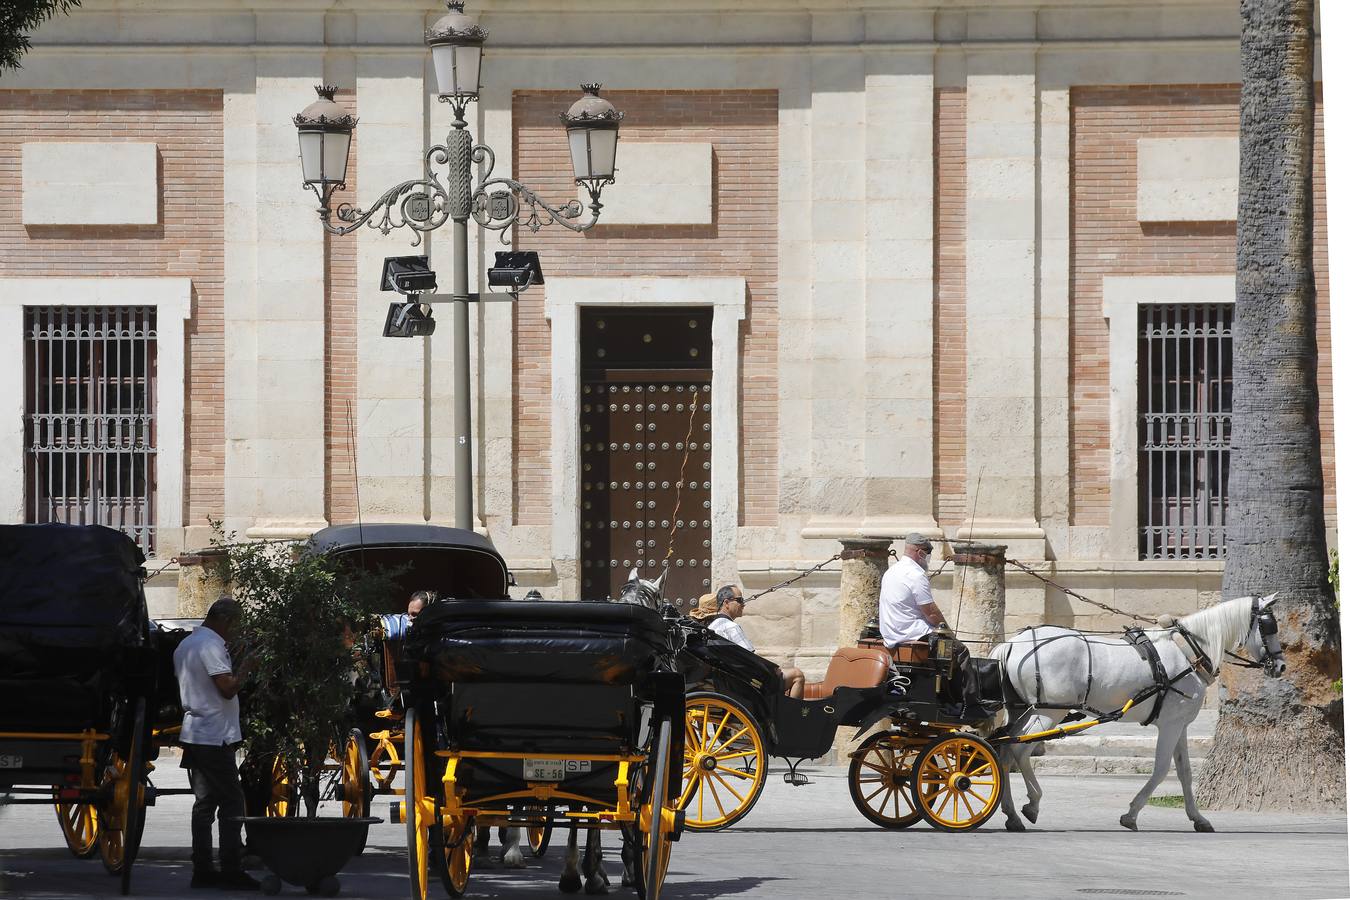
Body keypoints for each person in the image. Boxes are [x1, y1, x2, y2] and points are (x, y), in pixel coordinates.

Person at [174, 598, 259, 891]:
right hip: (213, 735)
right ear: (227, 621)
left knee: (205, 804)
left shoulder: (186, 645)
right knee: (232, 802)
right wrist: (247, 667)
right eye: (236, 627)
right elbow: (226, 689)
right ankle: (232, 868)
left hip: (196, 733)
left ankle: (203, 868)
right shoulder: (211, 646)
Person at [878, 533, 990, 717]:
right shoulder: (915, 574)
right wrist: (949, 633)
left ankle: (947, 699)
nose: (928, 559)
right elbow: (930, 611)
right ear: (920, 552)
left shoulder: (892, 571)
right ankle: (968, 705)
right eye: (928, 554)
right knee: (959, 651)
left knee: (946, 651)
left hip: (892, 634)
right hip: (912, 633)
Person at [706, 585, 807, 700]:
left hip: (728, 683)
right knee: (797, 675)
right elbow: (751, 658)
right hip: (747, 684)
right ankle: (792, 715)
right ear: (726, 603)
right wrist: (772, 669)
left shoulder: (711, 627)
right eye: (740, 600)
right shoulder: (731, 627)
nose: (743, 604)